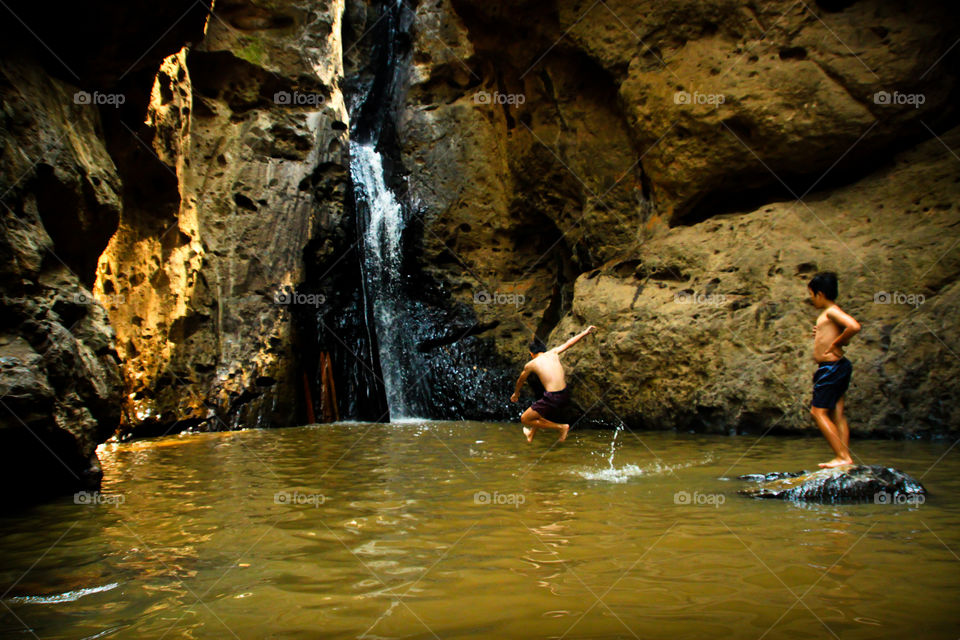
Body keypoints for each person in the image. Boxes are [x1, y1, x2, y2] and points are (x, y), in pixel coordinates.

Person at [807, 272, 861, 468]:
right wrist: (823, 333)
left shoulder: (831, 311)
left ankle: (842, 456)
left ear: (819, 294)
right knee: (837, 412)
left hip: (830, 368)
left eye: (811, 294)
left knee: (818, 412)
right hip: (837, 367)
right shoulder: (828, 315)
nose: (811, 299)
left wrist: (838, 343)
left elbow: (853, 326)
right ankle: (844, 456)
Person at [510, 326, 597, 443]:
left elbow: (520, 380)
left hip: (553, 397)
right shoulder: (553, 352)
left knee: (525, 418)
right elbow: (569, 343)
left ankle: (561, 427)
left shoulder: (531, 364)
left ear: (531, 354)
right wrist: (585, 332)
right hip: (564, 393)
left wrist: (516, 394)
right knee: (538, 412)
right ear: (544, 350)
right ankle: (531, 434)